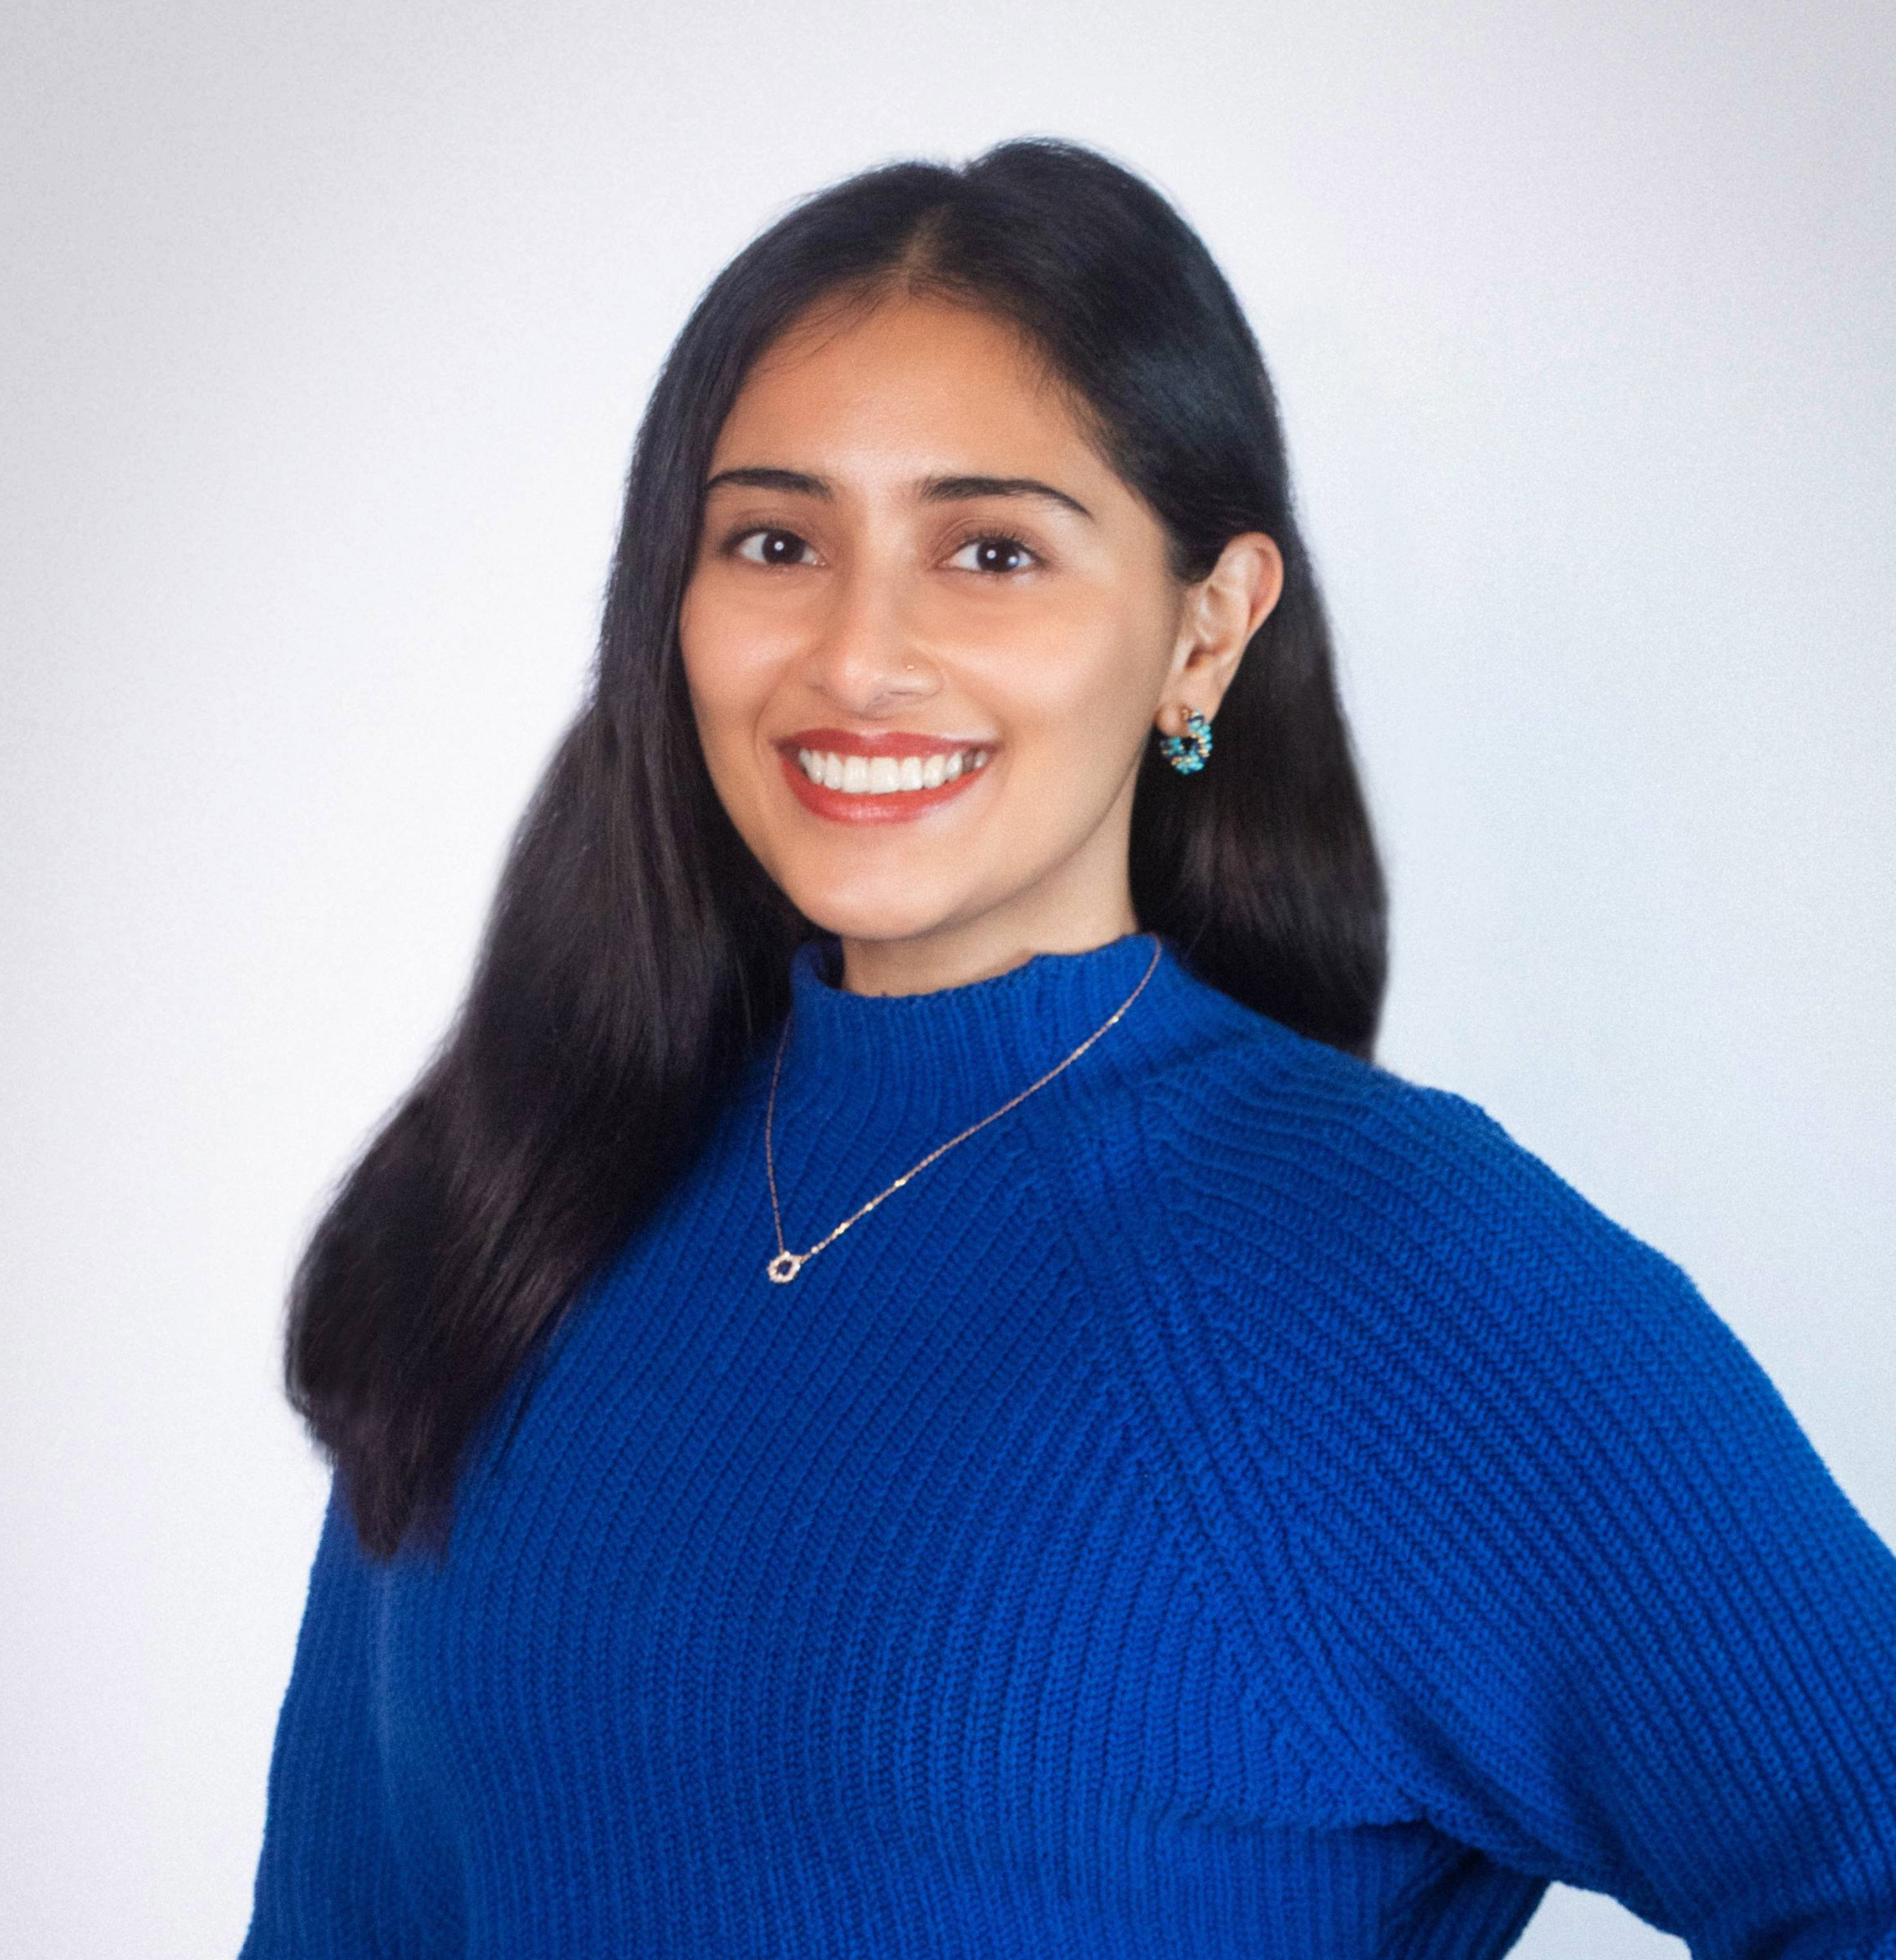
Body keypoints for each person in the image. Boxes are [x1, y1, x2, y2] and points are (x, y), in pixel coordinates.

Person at [240, 139, 1896, 1958]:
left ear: (1208, 627)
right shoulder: (521, 1205)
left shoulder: (1384, 1267)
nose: (859, 656)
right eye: (776, 540)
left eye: (993, 549)